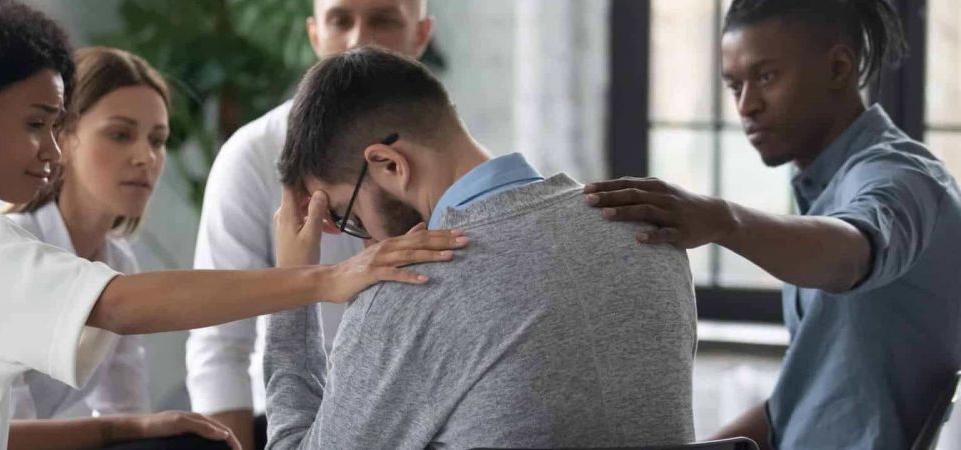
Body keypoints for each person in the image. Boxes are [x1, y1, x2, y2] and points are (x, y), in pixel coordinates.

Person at [0, 2, 465, 449]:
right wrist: (325, 278)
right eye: (36, 124)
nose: (52, 151)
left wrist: (120, 429)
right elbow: (116, 305)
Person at [264, 46, 698, 450]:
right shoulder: (646, 231)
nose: (362, 239)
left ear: (390, 165)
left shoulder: (408, 289)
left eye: (346, 214)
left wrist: (293, 287)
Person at [584, 0, 961, 448]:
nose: (747, 105)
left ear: (838, 68)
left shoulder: (900, 176)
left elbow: (853, 255)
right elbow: (797, 405)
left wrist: (723, 220)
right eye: (734, 85)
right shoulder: (826, 190)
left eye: (765, 77)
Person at [185, 0, 434, 448]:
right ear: (315, 34)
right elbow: (219, 342)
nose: (358, 40)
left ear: (421, 35)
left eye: (383, 20)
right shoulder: (253, 155)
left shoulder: (450, 158)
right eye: (340, 20)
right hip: (289, 421)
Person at [2, 46, 167, 430]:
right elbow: (5, 430)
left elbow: (126, 408)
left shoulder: (118, 265)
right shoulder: (13, 249)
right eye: (120, 134)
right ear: (62, 138)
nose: (146, 157)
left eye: (158, 140)